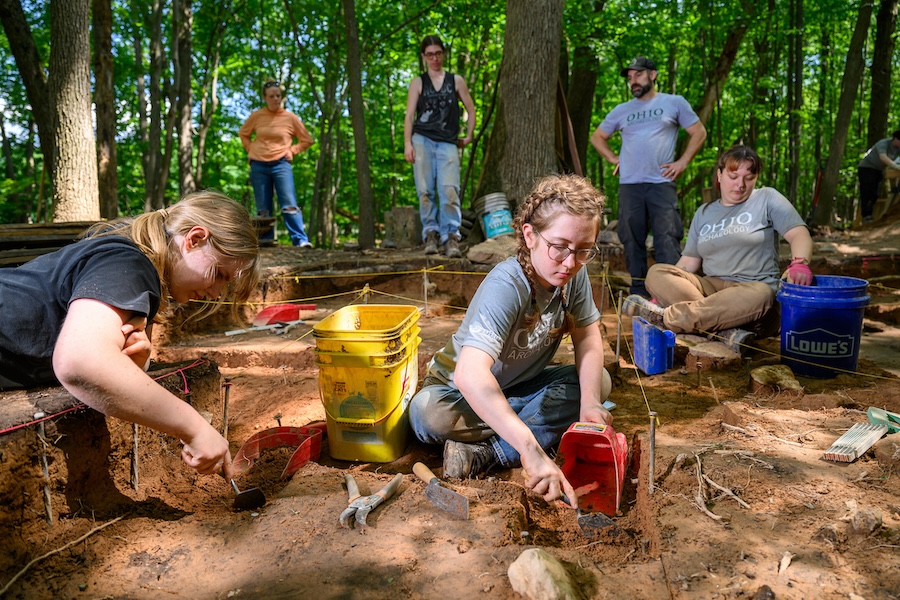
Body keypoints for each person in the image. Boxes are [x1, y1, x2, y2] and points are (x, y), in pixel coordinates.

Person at [0, 191, 261, 482]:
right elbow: (79, 361)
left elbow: (97, 361)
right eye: (220, 275)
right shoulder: (130, 263)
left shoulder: (131, 261)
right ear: (195, 239)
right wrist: (194, 427)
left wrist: (134, 362)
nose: (215, 293)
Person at [408, 174, 613, 505]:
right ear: (530, 235)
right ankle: (523, 434)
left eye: (584, 250)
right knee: (427, 414)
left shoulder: (574, 275)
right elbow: (469, 375)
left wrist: (588, 403)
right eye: (559, 247)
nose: (571, 262)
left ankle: (491, 452)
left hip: (520, 389)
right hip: (459, 394)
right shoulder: (506, 285)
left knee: (597, 384)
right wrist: (530, 448)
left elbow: (588, 339)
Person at [623, 145, 814, 354]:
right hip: (711, 289)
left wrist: (800, 263)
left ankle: (664, 317)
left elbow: (798, 233)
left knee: (764, 293)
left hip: (751, 292)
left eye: (748, 177)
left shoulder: (766, 198)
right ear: (720, 175)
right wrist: (661, 291)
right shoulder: (704, 212)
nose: (740, 184)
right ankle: (725, 330)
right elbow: (688, 263)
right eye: (733, 176)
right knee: (657, 272)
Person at [591, 56, 707, 298]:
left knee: (667, 238)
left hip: (661, 183)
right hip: (630, 185)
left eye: (639, 75)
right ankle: (639, 293)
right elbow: (597, 137)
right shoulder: (621, 110)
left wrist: (682, 162)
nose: (633, 81)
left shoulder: (674, 103)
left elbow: (698, 132)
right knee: (631, 239)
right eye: (630, 77)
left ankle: (670, 293)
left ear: (653, 75)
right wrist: (615, 159)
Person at [404, 35, 476, 258]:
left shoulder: (456, 81)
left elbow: (471, 109)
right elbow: (408, 115)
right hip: (422, 139)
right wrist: (407, 143)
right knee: (425, 191)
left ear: (443, 54)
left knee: (449, 189)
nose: (434, 58)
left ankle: (451, 236)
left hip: (448, 142)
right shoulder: (418, 82)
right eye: (429, 54)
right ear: (424, 56)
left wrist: (469, 135)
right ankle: (431, 234)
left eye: (438, 53)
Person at [239, 80, 315, 247]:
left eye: (278, 96)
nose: (275, 99)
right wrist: (251, 149)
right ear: (265, 98)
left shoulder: (290, 117)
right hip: (258, 164)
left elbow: (307, 140)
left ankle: (300, 240)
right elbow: (243, 134)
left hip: (281, 163)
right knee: (263, 208)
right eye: (271, 96)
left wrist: (292, 151)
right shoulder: (256, 116)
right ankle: (265, 241)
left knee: (289, 204)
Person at [857, 130, 900, 224]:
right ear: (895, 139)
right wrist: (896, 166)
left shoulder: (898, 149)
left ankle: (869, 215)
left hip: (878, 170)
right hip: (866, 168)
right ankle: (866, 216)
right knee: (867, 191)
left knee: (875, 193)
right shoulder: (883, 143)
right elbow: (883, 157)